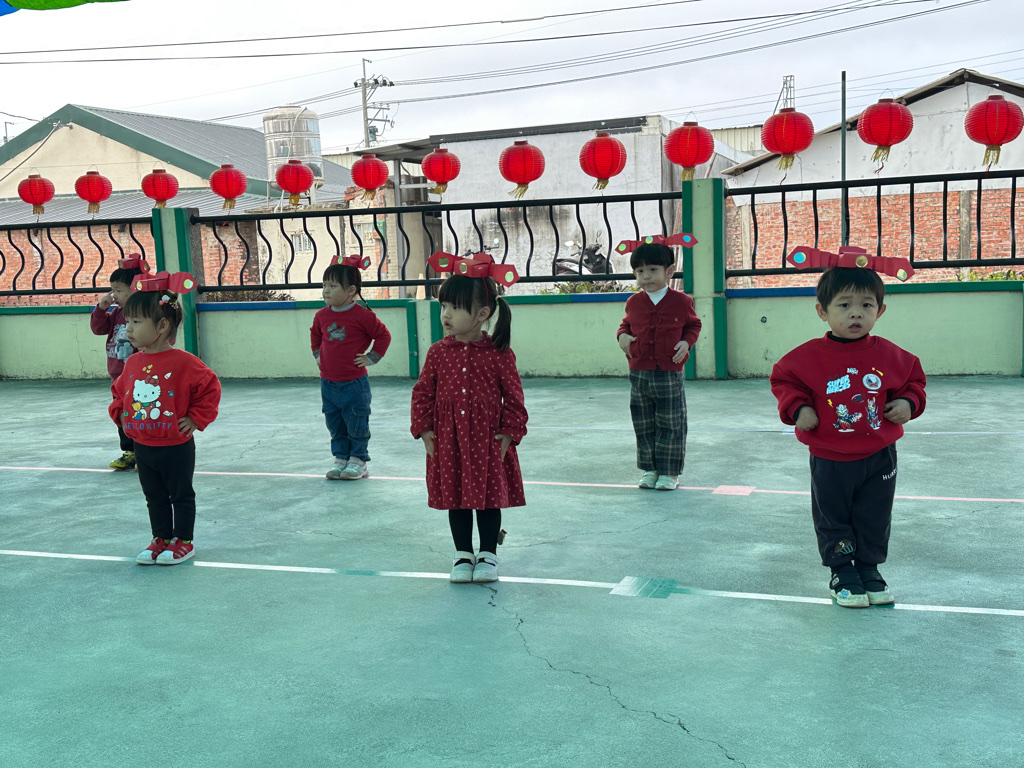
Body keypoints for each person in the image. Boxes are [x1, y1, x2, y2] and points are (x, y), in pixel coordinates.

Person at [770, 249, 926, 608]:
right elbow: (784, 381)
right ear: (822, 311)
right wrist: (799, 408)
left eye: (866, 305)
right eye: (844, 305)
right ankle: (842, 571)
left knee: (875, 516)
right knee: (834, 517)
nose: (856, 313)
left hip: (880, 455)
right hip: (831, 457)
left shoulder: (893, 356)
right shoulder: (806, 357)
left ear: (880, 311)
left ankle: (869, 568)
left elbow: (914, 383)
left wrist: (908, 404)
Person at [411, 252, 527, 584]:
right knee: (456, 497)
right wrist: (424, 429)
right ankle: (463, 554)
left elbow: (514, 397)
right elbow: (423, 392)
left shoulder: (499, 353)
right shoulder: (437, 353)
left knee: (488, 499)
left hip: (488, 441)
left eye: (455, 308)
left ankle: (488, 554)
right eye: (443, 306)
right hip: (448, 440)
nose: (445, 314)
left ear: (482, 314)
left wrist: (510, 433)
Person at [110, 271, 221, 566]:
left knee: (180, 495)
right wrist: (120, 415)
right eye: (128, 321)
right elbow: (119, 393)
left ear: (161, 326)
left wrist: (196, 418)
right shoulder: (133, 362)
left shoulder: (185, 362)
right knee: (154, 497)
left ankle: (183, 541)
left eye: (136, 322)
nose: (128, 328)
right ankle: (160, 538)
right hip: (143, 446)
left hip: (176, 446)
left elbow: (210, 387)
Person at [616, 237, 702, 490]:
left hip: (669, 373)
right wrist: (622, 336)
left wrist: (686, 342)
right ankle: (650, 469)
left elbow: (693, 325)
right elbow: (625, 325)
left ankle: (669, 472)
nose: (646, 276)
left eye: (653, 270)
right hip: (639, 373)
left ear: (669, 272)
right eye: (639, 271)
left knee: (671, 422)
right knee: (643, 423)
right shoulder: (633, 302)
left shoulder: (681, 301)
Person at [310, 255, 392, 480]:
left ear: (350, 290)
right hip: (328, 383)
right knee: (334, 423)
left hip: (354, 384)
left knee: (357, 422)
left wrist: (371, 357)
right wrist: (317, 354)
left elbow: (383, 336)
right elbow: (315, 335)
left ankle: (358, 461)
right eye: (324, 285)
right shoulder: (321, 315)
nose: (326, 291)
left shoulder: (363, 316)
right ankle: (341, 458)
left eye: (333, 286)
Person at [90, 255, 147, 470]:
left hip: (139, 377)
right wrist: (101, 309)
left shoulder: (144, 314)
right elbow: (98, 329)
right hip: (118, 377)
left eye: (119, 290)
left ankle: (144, 452)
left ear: (136, 289)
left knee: (141, 412)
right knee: (122, 414)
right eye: (112, 290)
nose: (114, 295)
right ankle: (130, 451)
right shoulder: (117, 313)